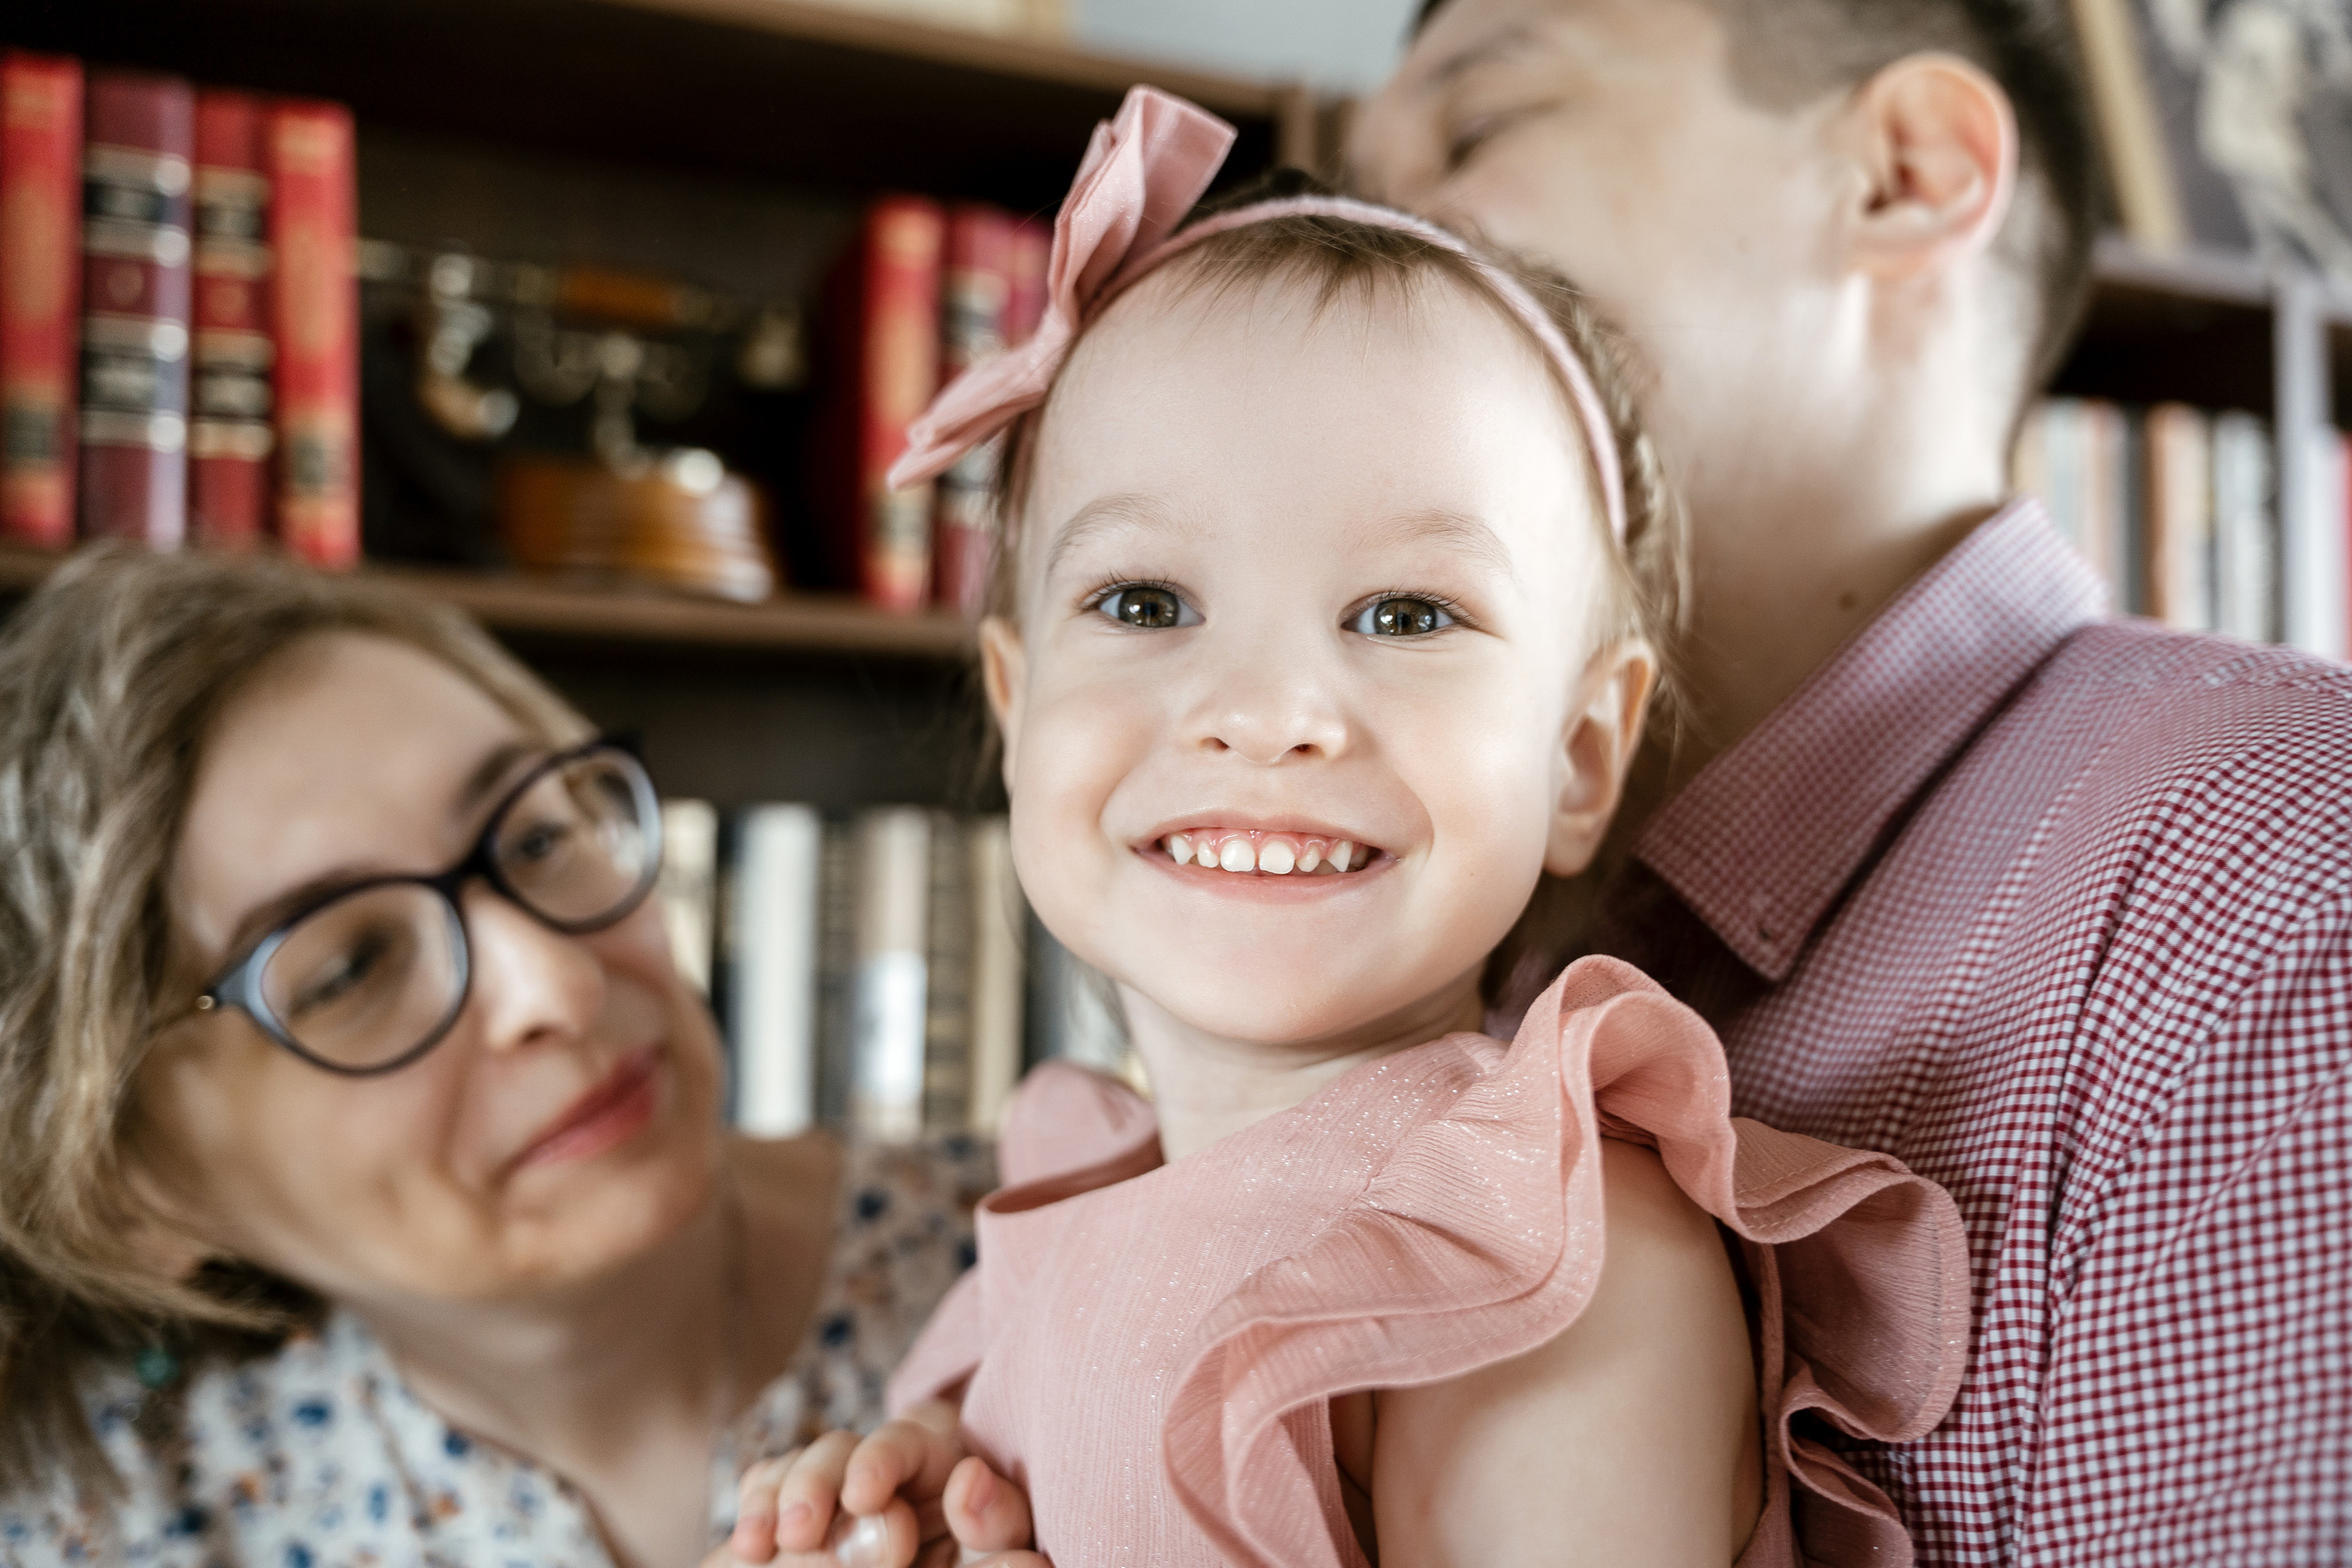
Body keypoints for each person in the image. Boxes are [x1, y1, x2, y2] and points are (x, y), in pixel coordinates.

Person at [730, 86, 1969, 1568]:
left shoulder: (1541, 1256)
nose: (1263, 712)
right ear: (1017, 705)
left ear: (1579, 755)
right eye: (1145, 600)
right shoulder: (1071, 1201)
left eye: (1405, 614)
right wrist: (920, 1500)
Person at [1344, 1, 2352, 1560]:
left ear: (1904, 174)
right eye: (1350, 192)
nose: (1358, 250)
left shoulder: (2279, 893)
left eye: (1476, 131)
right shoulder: (1440, 930)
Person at [0, 547, 1012, 1568]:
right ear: (131, 1186)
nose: (557, 987)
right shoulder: (97, 1531)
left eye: (536, 840)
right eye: (352, 968)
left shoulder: (1047, 1258)